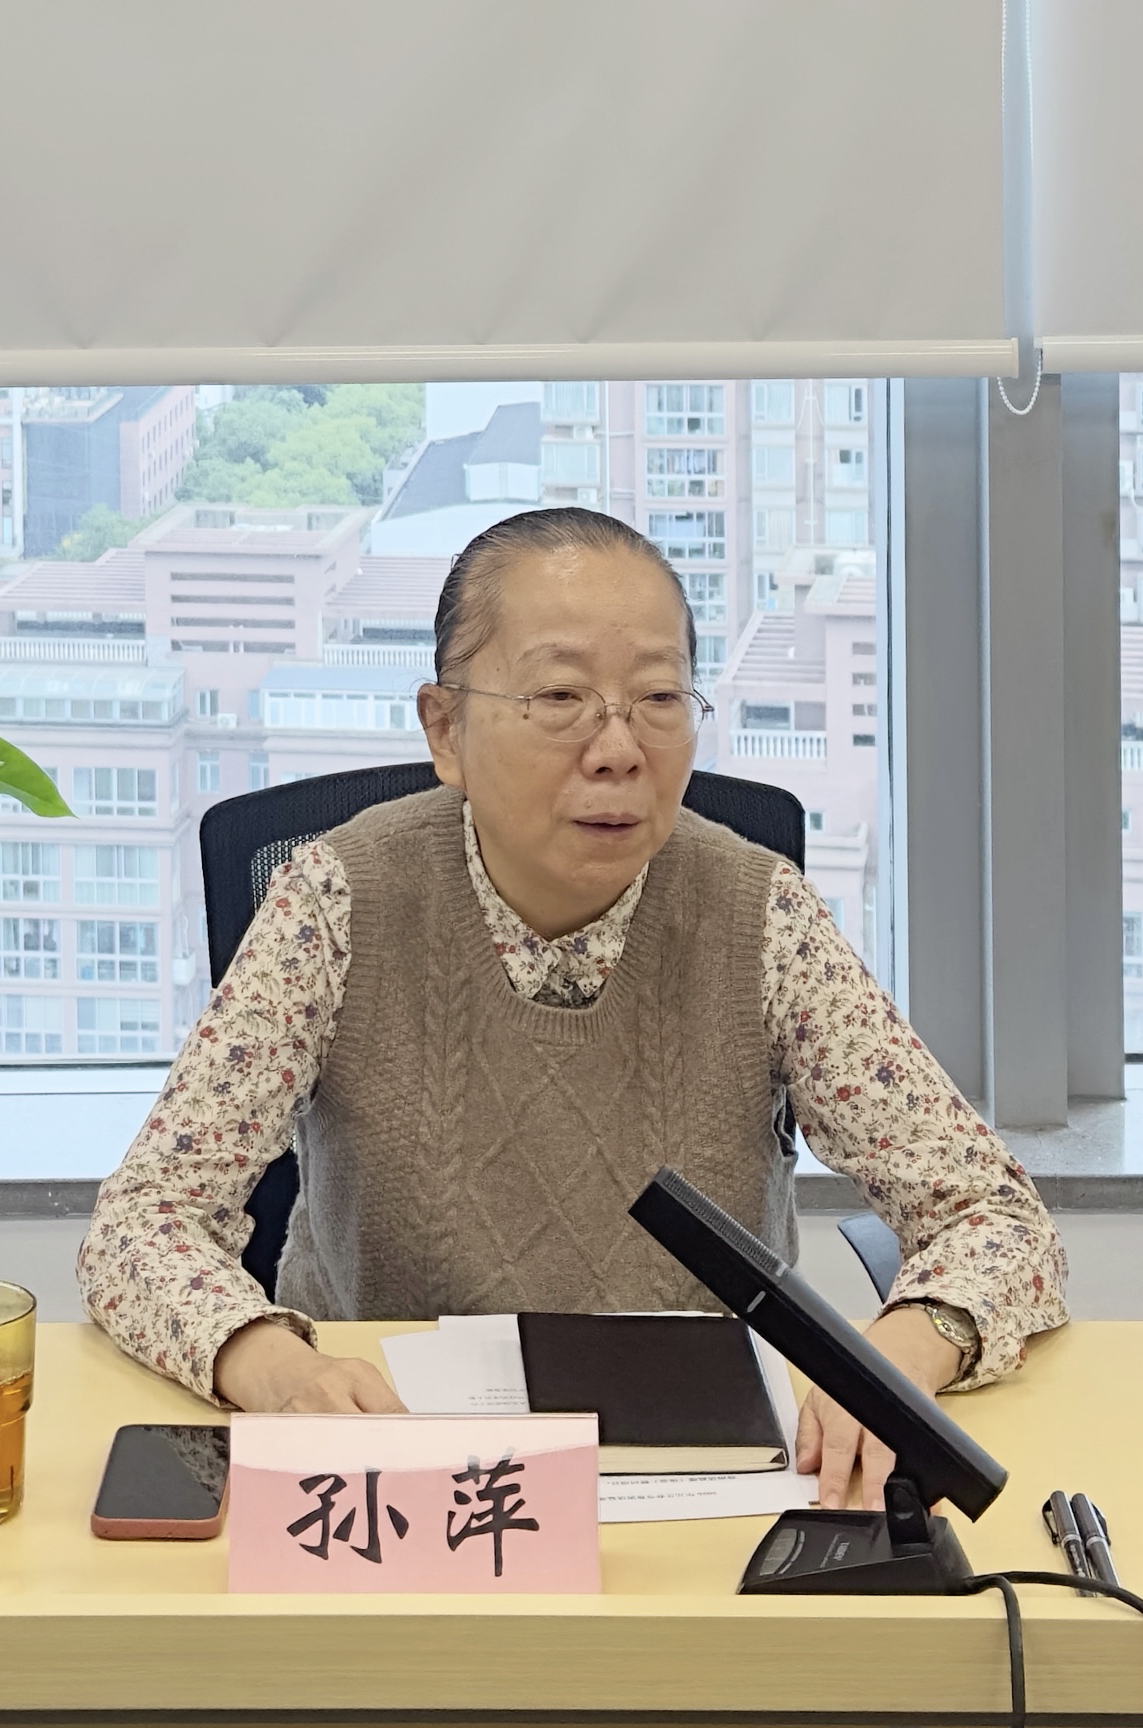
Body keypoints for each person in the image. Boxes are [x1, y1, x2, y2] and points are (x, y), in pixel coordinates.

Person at [81, 506, 1066, 1508]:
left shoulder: (760, 914)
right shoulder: (337, 902)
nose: (618, 749)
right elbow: (143, 1223)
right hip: (395, 1466)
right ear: (446, 729)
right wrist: (273, 1368)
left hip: (699, 1470)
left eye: (659, 697)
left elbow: (996, 1218)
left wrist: (900, 1355)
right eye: (560, 696)